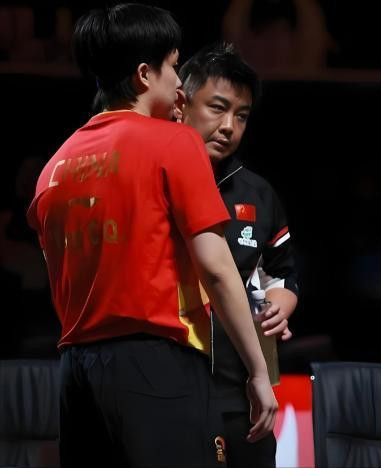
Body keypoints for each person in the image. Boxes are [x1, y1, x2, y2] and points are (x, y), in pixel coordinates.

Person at [26, 5, 276, 467]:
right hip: (157, 369)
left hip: (75, 375)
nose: (180, 83)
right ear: (144, 74)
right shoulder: (175, 143)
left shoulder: (53, 168)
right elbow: (217, 269)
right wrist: (258, 371)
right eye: (173, 66)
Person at [176, 41, 298, 468]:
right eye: (217, 108)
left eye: (241, 116)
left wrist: (280, 306)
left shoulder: (258, 193)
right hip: (172, 386)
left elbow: (282, 275)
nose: (229, 126)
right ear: (182, 103)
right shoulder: (155, 177)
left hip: (243, 389)